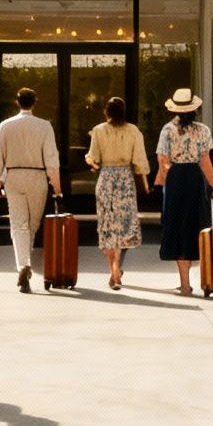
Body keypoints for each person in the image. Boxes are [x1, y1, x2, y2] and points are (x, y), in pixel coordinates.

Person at [152, 87, 213, 296]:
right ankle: (208, 280)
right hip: (194, 178)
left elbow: (163, 161)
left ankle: (185, 284)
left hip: (175, 179)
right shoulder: (203, 130)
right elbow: (205, 161)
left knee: (177, 229)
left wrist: (162, 184)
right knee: (198, 226)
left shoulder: (167, 130)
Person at [0, 86, 61, 293]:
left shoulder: (5, 125)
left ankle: (23, 264)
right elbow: (51, 158)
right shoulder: (44, 126)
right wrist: (57, 186)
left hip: (14, 176)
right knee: (32, 224)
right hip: (37, 176)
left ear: (17, 102)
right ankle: (25, 264)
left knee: (18, 224)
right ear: (34, 102)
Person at [85, 96, 149, 290]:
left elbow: (93, 157)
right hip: (125, 179)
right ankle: (116, 268)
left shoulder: (98, 130)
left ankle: (112, 268)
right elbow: (140, 161)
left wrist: (90, 161)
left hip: (106, 178)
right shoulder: (133, 131)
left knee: (107, 225)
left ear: (107, 112)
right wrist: (145, 184)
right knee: (123, 225)